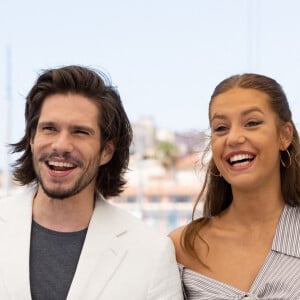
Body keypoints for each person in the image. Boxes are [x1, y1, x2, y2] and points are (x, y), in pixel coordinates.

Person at [0, 65, 183, 299]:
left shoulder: (151, 253)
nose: (61, 145)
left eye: (80, 132)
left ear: (106, 151)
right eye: (49, 128)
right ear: (32, 139)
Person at [170, 73, 300, 299]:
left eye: (252, 123)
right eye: (221, 128)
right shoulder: (182, 247)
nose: (233, 138)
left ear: (284, 135)